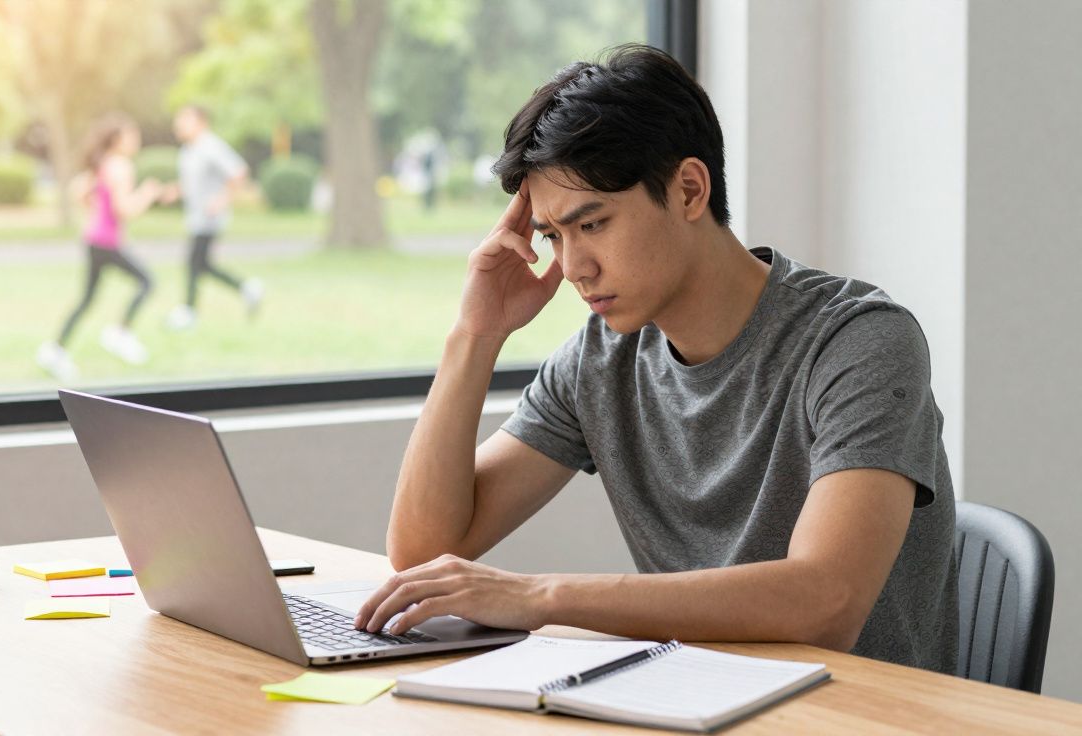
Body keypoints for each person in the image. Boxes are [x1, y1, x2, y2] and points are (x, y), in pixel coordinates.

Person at [353, 44, 959, 674]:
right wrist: (475, 336)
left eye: (592, 225)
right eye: (552, 236)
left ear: (689, 190)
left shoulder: (860, 341)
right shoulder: (600, 359)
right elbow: (426, 550)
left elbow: (826, 602)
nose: (573, 268)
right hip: (693, 698)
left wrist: (541, 597)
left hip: (858, 709)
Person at [37, 113, 161, 379]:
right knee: (147, 282)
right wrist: (147, 194)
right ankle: (120, 333)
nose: (136, 140)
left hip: (94, 239)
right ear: (117, 140)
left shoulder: (102, 164)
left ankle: (55, 350)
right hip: (107, 242)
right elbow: (123, 210)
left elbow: (79, 192)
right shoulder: (121, 166)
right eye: (131, 135)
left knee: (87, 298)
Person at [163, 104, 262, 331]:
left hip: (209, 217)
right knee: (203, 265)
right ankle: (247, 288)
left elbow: (239, 172)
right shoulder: (189, 150)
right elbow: (191, 182)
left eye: (185, 120)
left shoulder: (211, 146)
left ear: (201, 122)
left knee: (193, 263)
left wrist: (221, 200)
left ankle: (188, 312)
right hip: (196, 215)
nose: (179, 125)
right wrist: (175, 191)